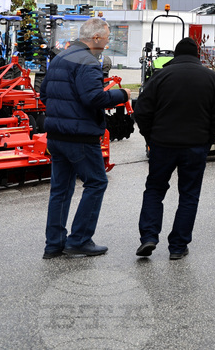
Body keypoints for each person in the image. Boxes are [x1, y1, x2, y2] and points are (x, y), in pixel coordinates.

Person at [40, 18, 129, 259]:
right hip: (80, 137)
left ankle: (54, 244)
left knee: (60, 189)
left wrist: (62, 115)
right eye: (108, 36)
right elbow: (94, 99)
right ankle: (79, 240)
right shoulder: (88, 62)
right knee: (97, 182)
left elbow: (44, 93)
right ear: (97, 38)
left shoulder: (61, 57)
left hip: (56, 136)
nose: (109, 40)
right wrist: (122, 94)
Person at [133, 37, 215, 260]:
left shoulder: (160, 76)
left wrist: (151, 137)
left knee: (155, 190)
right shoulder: (211, 78)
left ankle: (148, 236)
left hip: (162, 145)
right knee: (189, 195)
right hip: (195, 146)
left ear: (175, 55)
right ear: (197, 55)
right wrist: (207, 140)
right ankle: (177, 246)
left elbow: (142, 111)